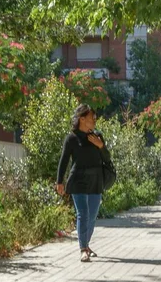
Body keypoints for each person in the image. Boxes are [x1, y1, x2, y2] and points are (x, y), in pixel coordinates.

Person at [56, 104, 111, 262]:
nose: (94, 120)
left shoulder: (97, 136)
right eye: (91, 117)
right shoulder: (71, 138)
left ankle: (86, 244)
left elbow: (107, 158)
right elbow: (64, 160)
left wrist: (101, 146)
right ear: (82, 118)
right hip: (78, 179)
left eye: (95, 117)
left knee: (92, 216)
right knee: (83, 214)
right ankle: (83, 249)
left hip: (96, 180)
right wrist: (59, 181)